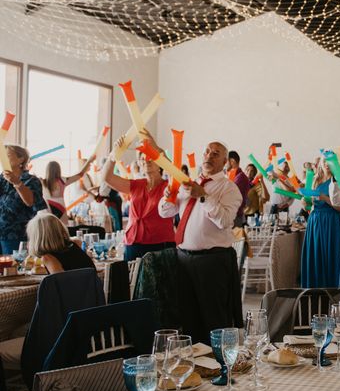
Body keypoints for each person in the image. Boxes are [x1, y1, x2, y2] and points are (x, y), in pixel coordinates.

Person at [158, 140, 244, 343]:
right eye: (206, 151)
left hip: (212, 262)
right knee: (189, 317)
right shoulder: (188, 183)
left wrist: (203, 196)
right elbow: (165, 212)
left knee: (215, 319)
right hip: (184, 259)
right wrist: (167, 197)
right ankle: (196, 364)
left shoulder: (229, 188)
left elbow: (224, 221)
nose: (208, 156)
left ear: (225, 161)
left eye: (215, 154)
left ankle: (220, 364)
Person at [102, 133, 175, 261]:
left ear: (160, 163)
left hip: (160, 245)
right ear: (140, 164)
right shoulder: (136, 185)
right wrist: (114, 154)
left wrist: (155, 147)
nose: (146, 160)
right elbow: (107, 178)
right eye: (142, 158)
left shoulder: (168, 185)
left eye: (150, 157)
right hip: (133, 242)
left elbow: (175, 173)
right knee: (131, 280)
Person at [300, 157, 340, 287]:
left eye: (329, 161)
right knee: (316, 254)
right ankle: (315, 288)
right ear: (321, 162)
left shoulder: (339, 180)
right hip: (315, 221)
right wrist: (305, 203)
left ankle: (332, 288)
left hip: (331, 221)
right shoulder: (314, 180)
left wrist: (324, 198)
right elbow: (310, 205)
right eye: (324, 161)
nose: (327, 164)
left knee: (331, 255)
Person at [0, 145, 47, 254]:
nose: (3, 159)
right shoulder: (2, 180)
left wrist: (17, 183)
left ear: (21, 159)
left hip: (16, 236)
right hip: (1, 232)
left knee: (13, 268)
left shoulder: (31, 180)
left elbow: (30, 202)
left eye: (7, 156)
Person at [26, 212, 95, 274]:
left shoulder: (48, 258)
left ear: (36, 238)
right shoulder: (74, 246)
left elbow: (61, 285)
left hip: (75, 288)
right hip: (93, 287)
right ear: (60, 229)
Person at [41, 157, 95, 224]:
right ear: (58, 170)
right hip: (61, 208)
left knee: (49, 232)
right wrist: (89, 161)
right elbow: (80, 174)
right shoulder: (62, 180)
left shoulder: (41, 182)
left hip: (48, 209)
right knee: (63, 230)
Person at [227, 151, 250, 227]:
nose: (223, 164)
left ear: (232, 161)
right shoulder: (233, 175)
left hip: (235, 216)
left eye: (225, 161)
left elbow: (230, 196)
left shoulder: (240, 178)